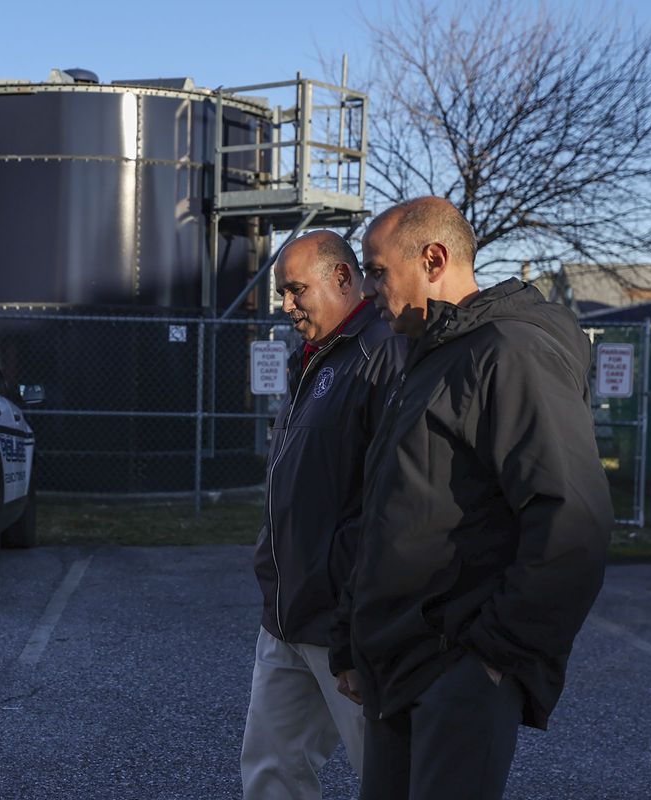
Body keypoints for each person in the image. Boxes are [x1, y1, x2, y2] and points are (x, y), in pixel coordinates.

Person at [330, 197, 612, 800]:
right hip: (397, 666)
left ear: (433, 258)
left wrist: (493, 658)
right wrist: (354, 638)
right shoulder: (426, 356)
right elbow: (390, 507)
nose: (370, 288)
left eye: (377, 271)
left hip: (456, 669)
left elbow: (572, 520)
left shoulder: (510, 352)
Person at [242, 230, 405, 800]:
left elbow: (390, 502)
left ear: (342, 278)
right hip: (286, 617)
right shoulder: (310, 359)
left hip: (345, 626)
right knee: (270, 773)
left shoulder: (381, 355)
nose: (286, 305)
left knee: (388, 777)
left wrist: (350, 605)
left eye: (295, 290)